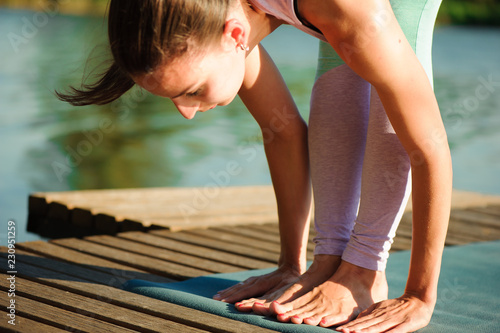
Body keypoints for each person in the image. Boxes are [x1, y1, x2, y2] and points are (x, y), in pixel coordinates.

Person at [57, 0, 452, 332]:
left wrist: (419, 295)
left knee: (386, 80)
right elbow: (282, 132)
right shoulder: (219, 20)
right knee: (342, 68)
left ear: (235, 36)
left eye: (191, 91)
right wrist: (290, 264)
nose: (187, 113)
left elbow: (428, 145)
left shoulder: (344, 9)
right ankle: (332, 260)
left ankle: (365, 274)